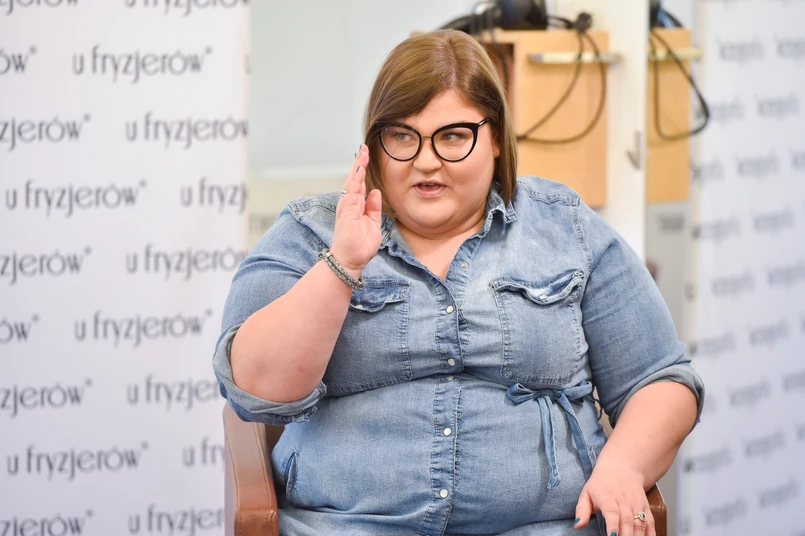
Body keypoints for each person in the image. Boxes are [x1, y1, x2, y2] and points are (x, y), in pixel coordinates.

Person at [213, 29, 704, 536]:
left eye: (452, 136)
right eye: (402, 136)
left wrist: (624, 467)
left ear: (496, 139)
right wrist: (343, 264)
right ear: (374, 144)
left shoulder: (568, 228)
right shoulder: (308, 233)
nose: (426, 161)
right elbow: (255, 390)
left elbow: (660, 379)